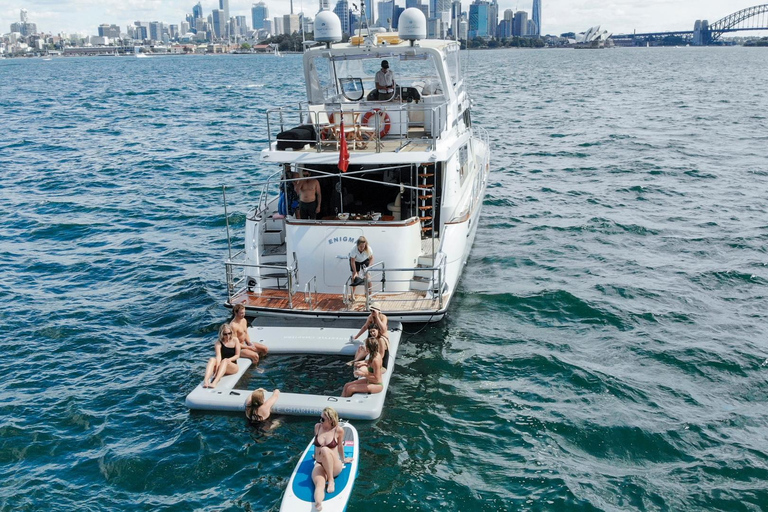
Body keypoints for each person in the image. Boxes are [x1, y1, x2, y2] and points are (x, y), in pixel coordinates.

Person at [312, 407, 353, 510]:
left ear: (330, 420)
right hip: (320, 463)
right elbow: (316, 445)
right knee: (319, 484)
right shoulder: (317, 427)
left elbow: (340, 446)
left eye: (323, 419)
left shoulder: (338, 430)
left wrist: (344, 459)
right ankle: (318, 503)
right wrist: (315, 456)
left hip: (334, 464)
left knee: (325, 449)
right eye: (320, 418)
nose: (320, 421)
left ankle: (331, 480)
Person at [202, 324, 241, 389]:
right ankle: (206, 381)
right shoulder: (218, 343)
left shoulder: (235, 340)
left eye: (229, 333)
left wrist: (229, 360)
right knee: (212, 359)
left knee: (225, 360)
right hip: (222, 364)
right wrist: (217, 368)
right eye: (225, 334)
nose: (228, 336)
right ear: (222, 334)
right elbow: (218, 357)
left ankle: (215, 382)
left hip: (232, 366)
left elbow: (237, 355)